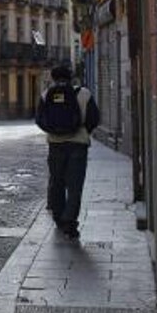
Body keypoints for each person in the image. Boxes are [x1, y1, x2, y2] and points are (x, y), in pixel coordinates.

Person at [35, 63, 100, 240]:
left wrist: (54, 130)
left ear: (54, 78)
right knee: (75, 186)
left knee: (56, 182)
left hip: (55, 145)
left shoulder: (46, 94)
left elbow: (39, 119)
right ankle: (69, 221)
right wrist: (82, 130)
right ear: (71, 78)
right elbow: (94, 118)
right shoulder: (84, 94)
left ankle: (59, 218)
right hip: (78, 145)